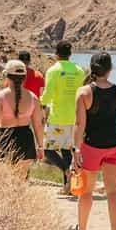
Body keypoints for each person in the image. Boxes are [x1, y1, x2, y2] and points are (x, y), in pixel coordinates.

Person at [71, 52, 116, 230]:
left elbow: (79, 125)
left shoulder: (83, 92)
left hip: (91, 147)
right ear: (110, 69)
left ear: (92, 68)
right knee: (113, 191)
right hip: (115, 145)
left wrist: (76, 149)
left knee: (86, 191)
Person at [40, 41, 85, 191]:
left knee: (48, 150)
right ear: (70, 54)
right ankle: (68, 186)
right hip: (75, 118)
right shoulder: (79, 71)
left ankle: (66, 170)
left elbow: (47, 95)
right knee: (67, 151)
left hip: (57, 117)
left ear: (56, 54)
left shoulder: (53, 71)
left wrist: (40, 102)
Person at [0, 60, 44, 178]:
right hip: (26, 138)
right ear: (24, 77)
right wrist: (40, 147)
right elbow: (38, 125)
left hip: (5, 138)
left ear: (6, 76)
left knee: (4, 180)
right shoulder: (33, 97)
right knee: (20, 179)